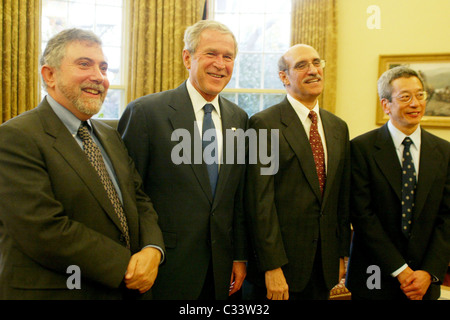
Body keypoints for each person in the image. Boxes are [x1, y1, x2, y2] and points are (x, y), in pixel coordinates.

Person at [0, 29, 165, 300]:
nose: (98, 77)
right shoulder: (15, 137)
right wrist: (128, 265)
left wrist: (152, 250)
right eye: (84, 64)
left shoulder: (110, 135)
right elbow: (43, 230)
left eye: (103, 67)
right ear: (49, 75)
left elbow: (139, 200)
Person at [118, 20, 248, 300]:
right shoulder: (146, 113)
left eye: (228, 57)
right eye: (211, 53)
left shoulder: (239, 118)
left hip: (221, 269)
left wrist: (239, 256)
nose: (220, 64)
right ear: (187, 58)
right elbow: (128, 193)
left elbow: (235, 195)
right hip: (164, 266)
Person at [244, 44, 351, 300]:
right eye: (302, 65)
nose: (313, 70)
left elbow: (341, 198)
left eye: (317, 63)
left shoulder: (338, 127)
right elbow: (260, 203)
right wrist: (271, 266)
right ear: (284, 76)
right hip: (281, 269)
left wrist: (340, 254)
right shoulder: (262, 124)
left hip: (323, 267)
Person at [346, 66, 450, 300]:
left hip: (424, 280)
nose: (415, 103)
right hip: (373, 275)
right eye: (405, 97)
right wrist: (401, 270)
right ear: (386, 105)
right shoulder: (361, 149)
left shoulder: (444, 152)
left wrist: (428, 272)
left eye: (420, 95)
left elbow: (447, 217)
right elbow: (363, 215)